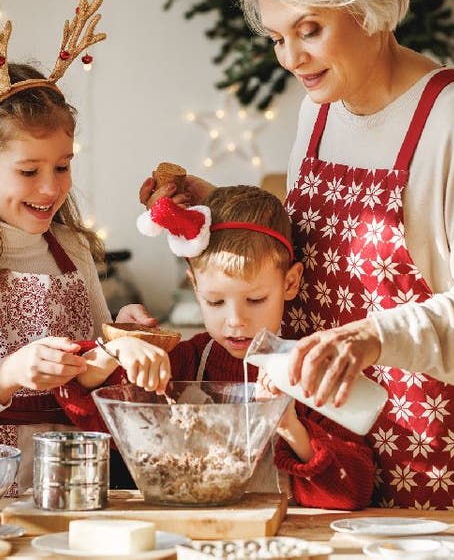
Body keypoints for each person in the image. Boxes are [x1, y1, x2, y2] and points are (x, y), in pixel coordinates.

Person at [140, 0, 454, 510]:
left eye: (309, 30)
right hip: (334, 453)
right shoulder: (321, 109)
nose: (291, 58)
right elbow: (323, 249)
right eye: (279, 37)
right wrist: (221, 206)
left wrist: (372, 337)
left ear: (368, 8)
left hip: (450, 448)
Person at [0, 0, 160, 491]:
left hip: (70, 490)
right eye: (28, 171)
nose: (50, 188)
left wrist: (120, 340)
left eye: (62, 166)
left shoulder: (72, 249)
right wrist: (11, 372)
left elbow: (92, 377)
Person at [63, 186, 376, 510]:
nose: (235, 320)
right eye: (215, 301)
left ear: (290, 283)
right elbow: (84, 408)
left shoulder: (311, 373)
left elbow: (351, 491)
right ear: (194, 286)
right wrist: (120, 347)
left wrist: (290, 427)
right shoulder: (186, 364)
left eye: (255, 300)